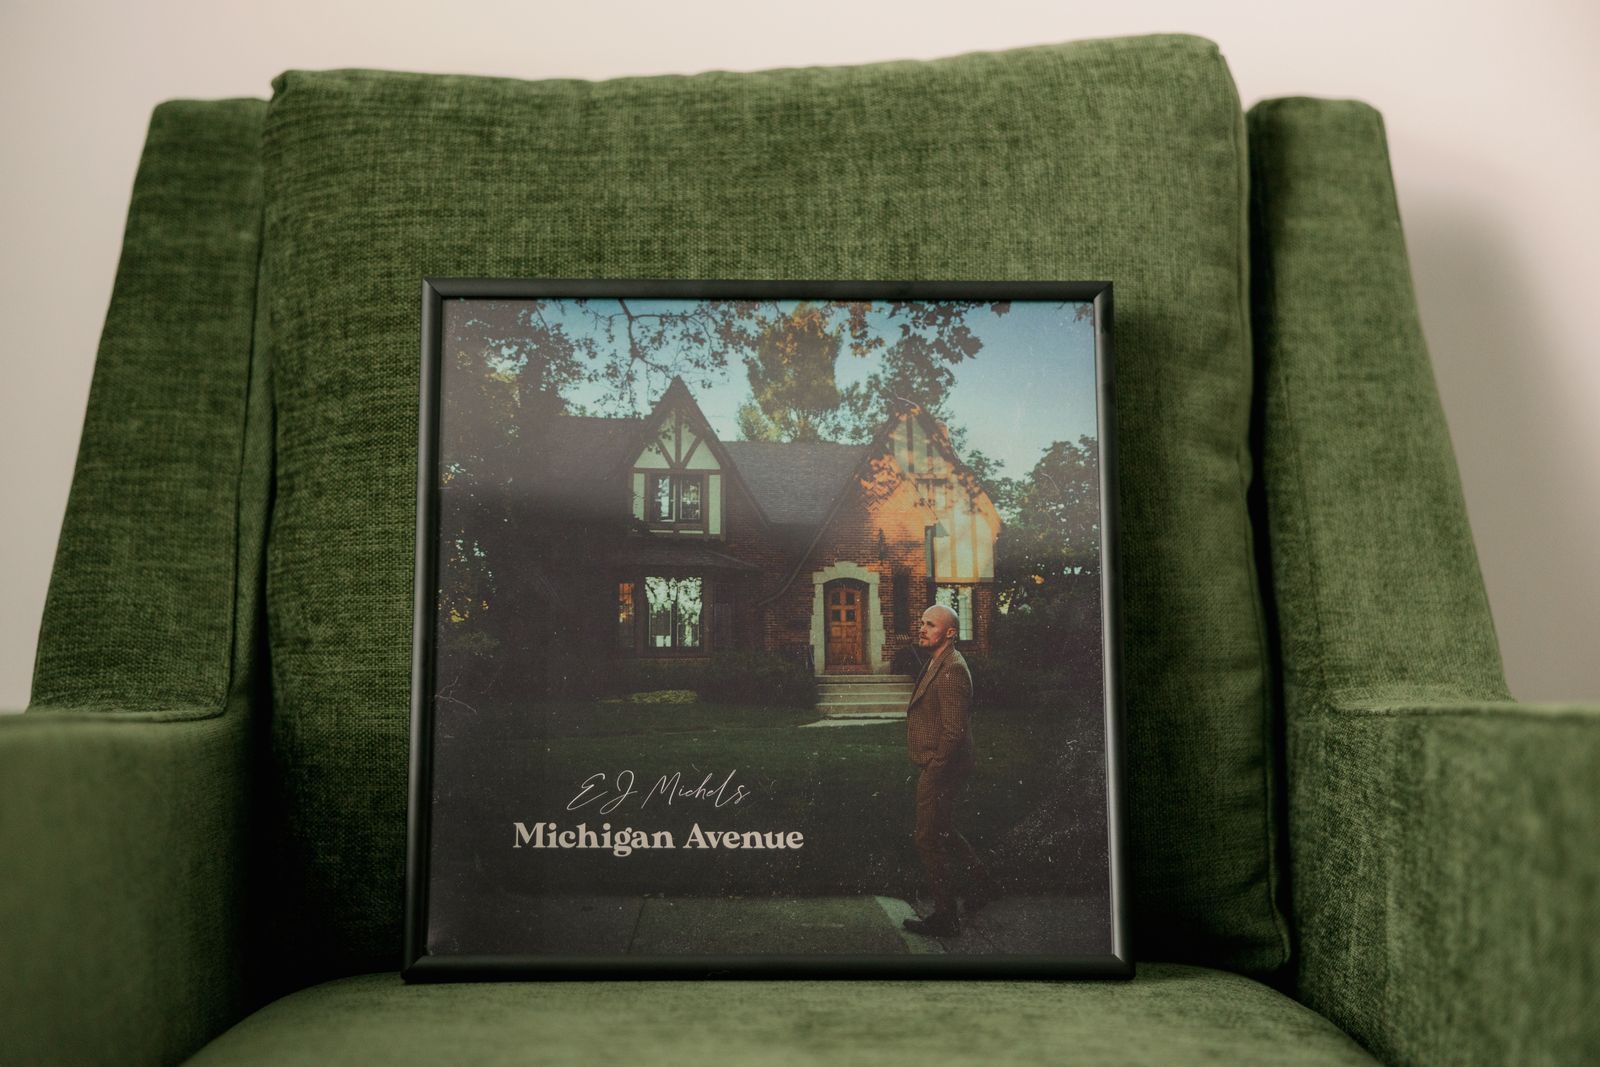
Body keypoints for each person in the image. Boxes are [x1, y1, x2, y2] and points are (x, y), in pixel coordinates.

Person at [902, 603, 995, 937]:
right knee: (941, 828)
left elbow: (954, 731)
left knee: (927, 837)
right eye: (922, 622)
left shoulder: (952, 668)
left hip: (945, 765)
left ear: (950, 633)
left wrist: (935, 767)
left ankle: (945, 916)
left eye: (931, 624)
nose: (922, 628)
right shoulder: (937, 661)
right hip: (943, 762)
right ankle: (982, 884)